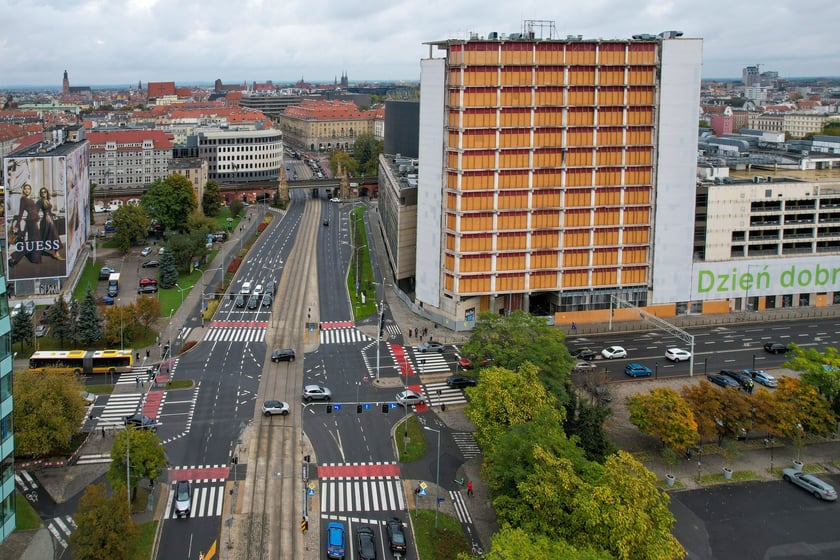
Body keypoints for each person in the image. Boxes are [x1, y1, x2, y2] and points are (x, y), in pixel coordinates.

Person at [10, 183, 42, 265]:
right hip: (30, 221)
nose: (27, 190)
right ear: (23, 190)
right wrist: (17, 225)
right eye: (25, 189)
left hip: (35, 221)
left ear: (30, 190)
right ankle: (15, 257)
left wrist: (38, 221)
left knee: (36, 240)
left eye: (29, 189)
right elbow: (20, 213)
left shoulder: (31, 200)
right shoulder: (23, 199)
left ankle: (35, 259)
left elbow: (35, 211)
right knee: (33, 240)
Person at [36, 187, 63, 260]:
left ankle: (55, 253)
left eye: (45, 191)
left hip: (50, 219)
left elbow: (49, 211)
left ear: (47, 192)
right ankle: (56, 254)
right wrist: (37, 222)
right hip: (46, 221)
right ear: (40, 194)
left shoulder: (47, 200)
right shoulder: (40, 201)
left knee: (48, 236)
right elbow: (36, 212)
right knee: (54, 235)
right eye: (42, 192)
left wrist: (54, 214)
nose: (43, 193)